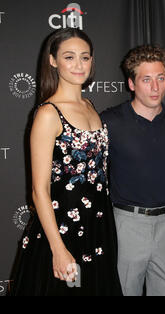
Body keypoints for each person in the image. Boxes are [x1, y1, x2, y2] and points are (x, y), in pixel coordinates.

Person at [9, 28, 122, 296]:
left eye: (85, 57)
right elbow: (39, 191)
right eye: (69, 57)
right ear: (53, 61)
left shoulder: (90, 106)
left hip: (98, 226)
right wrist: (58, 249)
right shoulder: (49, 114)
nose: (79, 65)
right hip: (63, 231)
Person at [101, 45, 165, 296]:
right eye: (147, 79)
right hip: (127, 224)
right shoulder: (109, 121)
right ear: (132, 84)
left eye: (161, 78)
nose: (155, 87)